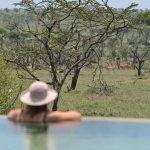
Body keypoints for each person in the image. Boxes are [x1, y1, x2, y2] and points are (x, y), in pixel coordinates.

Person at [8, 81, 81, 123]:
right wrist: (50, 112)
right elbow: (77, 115)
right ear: (46, 100)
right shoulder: (50, 117)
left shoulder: (17, 115)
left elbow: (9, 115)